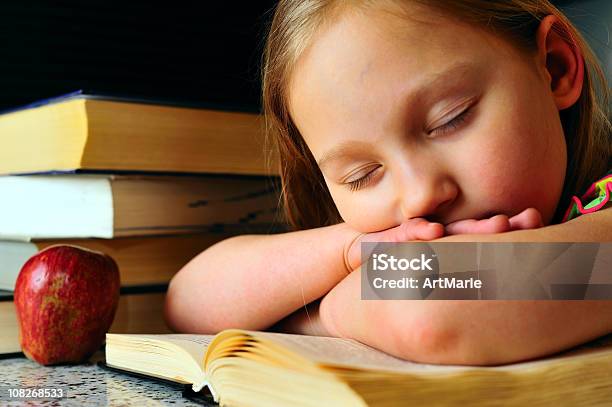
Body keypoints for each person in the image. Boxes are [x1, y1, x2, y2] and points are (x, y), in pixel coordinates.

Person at [164, 0, 612, 365]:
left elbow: (430, 310)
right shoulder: (379, 248)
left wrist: (311, 313)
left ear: (555, 68)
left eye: (449, 120)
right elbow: (187, 300)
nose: (418, 196)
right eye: (363, 175)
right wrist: (352, 250)